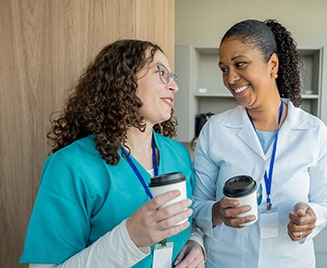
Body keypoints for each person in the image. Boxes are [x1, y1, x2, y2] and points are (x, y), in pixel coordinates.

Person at [20, 39, 205, 268]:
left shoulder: (179, 154)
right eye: (160, 72)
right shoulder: (70, 167)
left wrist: (197, 243)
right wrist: (130, 238)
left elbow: (194, 218)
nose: (174, 87)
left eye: (172, 77)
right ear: (123, 80)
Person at [192, 19, 327, 268]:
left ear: (272, 64)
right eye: (224, 69)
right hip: (226, 261)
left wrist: (313, 218)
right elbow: (196, 203)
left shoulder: (314, 132)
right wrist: (218, 211)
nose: (230, 78)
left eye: (240, 64)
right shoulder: (215, 130)